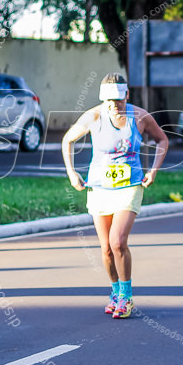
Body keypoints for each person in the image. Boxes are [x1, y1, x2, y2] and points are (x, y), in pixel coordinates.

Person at [62, 73, 168, 318]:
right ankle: (115, 290)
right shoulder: (94, 116)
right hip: (99, 187)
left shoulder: (139, 116)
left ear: (126, 95)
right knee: (105, 249)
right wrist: (72, 173)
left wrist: (153, 170)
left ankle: (127, 296)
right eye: (109, 100)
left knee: (117, 241)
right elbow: (67, 140)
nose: (114, 105)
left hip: (129, 185)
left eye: (118, 99)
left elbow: (162, 140)